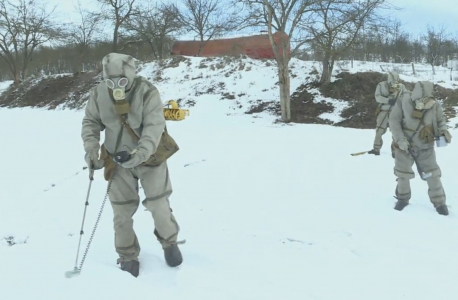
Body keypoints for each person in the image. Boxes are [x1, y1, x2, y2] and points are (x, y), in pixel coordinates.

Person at [81, 53, 183, 277]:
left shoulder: (147, 91)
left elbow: (154, 126)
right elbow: (90, 122)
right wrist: (91, 150)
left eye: (122, 81)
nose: (116, 86)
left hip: (150, 158)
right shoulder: (98, 94)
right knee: (121, 210)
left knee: (158, 204)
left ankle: (169, 242)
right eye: (110, 82)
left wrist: (140, 154)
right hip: (116, 160)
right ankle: (127, 255)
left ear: (131, 75)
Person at [389, 81, 451, 215]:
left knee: (432, 174)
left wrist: (443, 131)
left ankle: (440, 203)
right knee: (403, 174)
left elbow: (441, 121)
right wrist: (400, 140)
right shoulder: (403, 101)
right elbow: (394, 121)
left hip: (425, 145)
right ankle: (402, 198)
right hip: (404, 146)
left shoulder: (434, 105)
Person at [368, 72, 405, 157]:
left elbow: (406, 96)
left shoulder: (401, 87)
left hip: (395, 113)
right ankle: (376, 149)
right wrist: (387, 100)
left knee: (396, 132)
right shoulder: (381, 85)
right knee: (379, 131)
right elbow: (377, 97)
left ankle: (395, 151)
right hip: (384, 111)